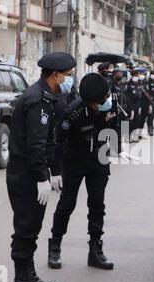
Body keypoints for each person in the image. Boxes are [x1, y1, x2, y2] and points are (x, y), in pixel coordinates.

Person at [7, 52, 76, 282]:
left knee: (32, 228)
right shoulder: (38, 101)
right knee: (25, 229)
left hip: (30, 172)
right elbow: (36, 145)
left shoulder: (44, 96)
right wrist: (41, 177)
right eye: (67, 76)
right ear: (55, 75)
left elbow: (47, 142)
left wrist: (52, 171)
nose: (69, 79)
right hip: (26, 175)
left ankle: (29, 277)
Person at [48, 73, 133, 271]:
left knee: (97, 205)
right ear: (87, 103)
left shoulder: (111, 103)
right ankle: (55, 246)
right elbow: (58, 142)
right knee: (66, 204)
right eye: (96, 104)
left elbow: (116, 126)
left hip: (99, 159)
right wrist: (55, 171)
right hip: (75, 160)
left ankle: (95, 251)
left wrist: (118, 148)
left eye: (103, 101)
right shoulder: (73, 113)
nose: (101, 105)